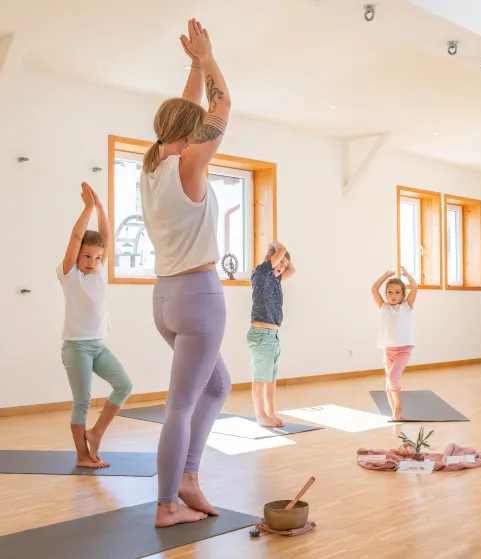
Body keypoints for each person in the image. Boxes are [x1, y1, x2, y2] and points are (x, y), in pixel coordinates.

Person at [139, 18, 232, 528]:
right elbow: (221, 108)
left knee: (216, 387)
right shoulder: (189, 167)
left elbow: (187, 113)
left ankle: (189, 479)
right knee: (179, 406)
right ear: (187, 135)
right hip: (198, 299)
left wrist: (194, 67)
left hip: (164, 300)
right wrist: (211, 58)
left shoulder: (151, 164)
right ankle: (167, 505)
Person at [58, 182, 132, 469]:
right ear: (77, 256)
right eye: (86, 256)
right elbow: (77, 235)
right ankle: (81, 456)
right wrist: (87, 207)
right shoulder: (69, 274)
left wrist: (101, 207)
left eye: (97, 257)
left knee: (123, 385)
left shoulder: (100, 271)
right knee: (82, 401)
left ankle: (96, 433)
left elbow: (107, 236)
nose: (92, 261)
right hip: (76, 347)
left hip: (98, 345)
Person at [247, 241, 295, 427]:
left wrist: (284, 261)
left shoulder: (275, 280)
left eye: (284, 264)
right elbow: (280, 251)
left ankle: (270, 413)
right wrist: (276, 245)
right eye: (279, 262)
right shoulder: (261, 273)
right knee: (260, 378)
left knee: (270, 379)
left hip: (272, 336)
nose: (283, 267)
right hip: (261, 334)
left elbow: (292, 270)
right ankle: (261, 416)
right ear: (269, 259)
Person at [371, 266, 418, 420]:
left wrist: (407, 275)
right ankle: (394, 413)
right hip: (388, 350)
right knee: (388, 383)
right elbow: (374, 289)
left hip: (403, 350)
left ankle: (398, 409)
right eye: (390, 292)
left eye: (397, 292)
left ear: (403, 294)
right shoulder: (383, 307)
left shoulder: (406, 306)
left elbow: (415, 287)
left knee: (392, 379)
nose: (393, 295)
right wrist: (385, 275)